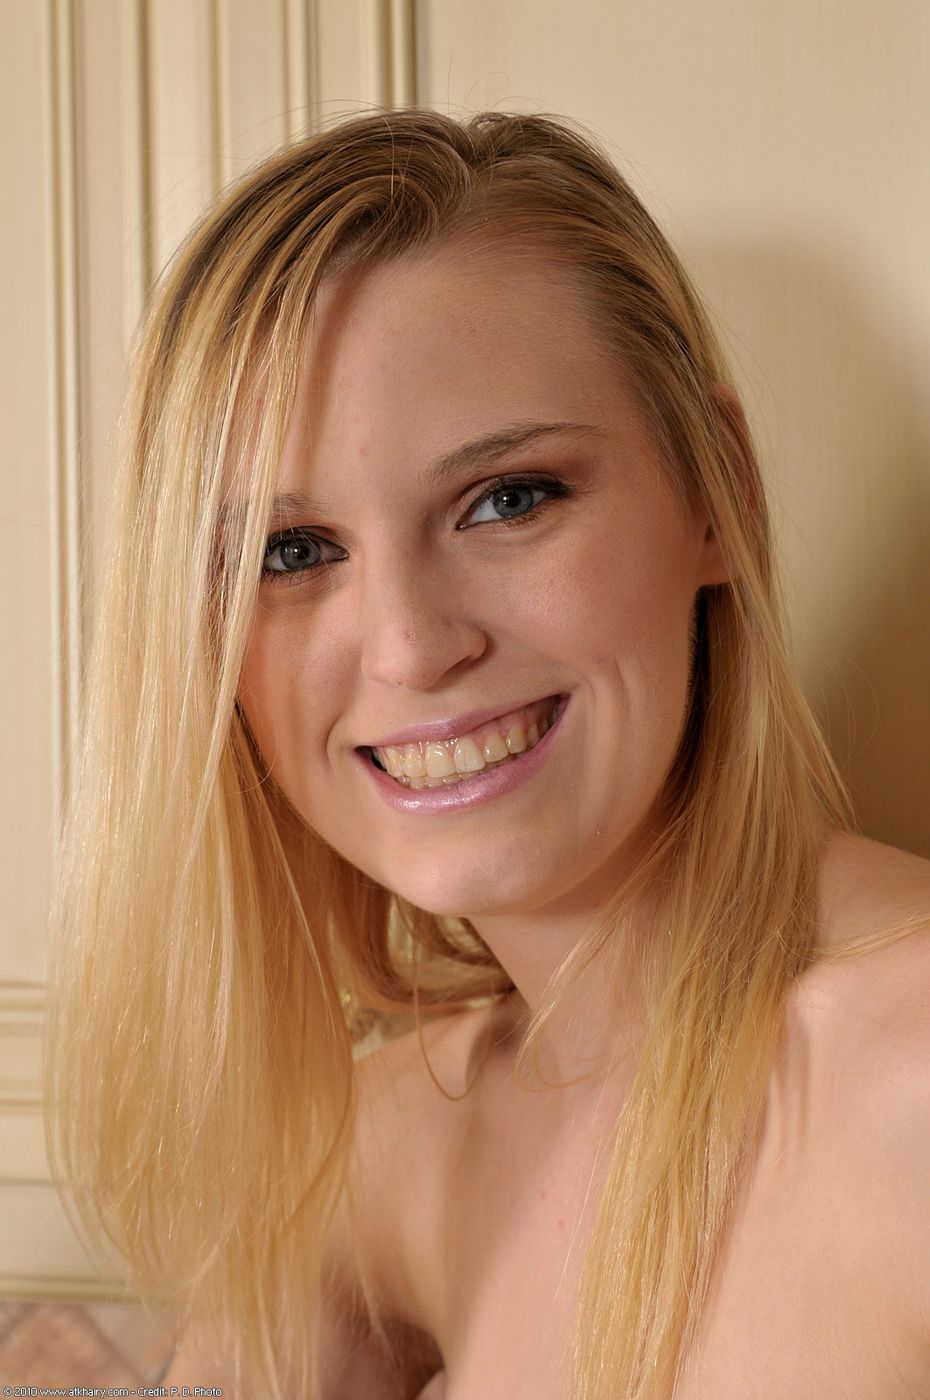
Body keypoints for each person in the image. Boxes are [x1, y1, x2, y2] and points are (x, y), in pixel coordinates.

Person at [45, 107, 930, 1400]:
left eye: (507, 499)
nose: (410, 648)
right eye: (292, 553)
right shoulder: (385, 1153)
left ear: (719, 495)